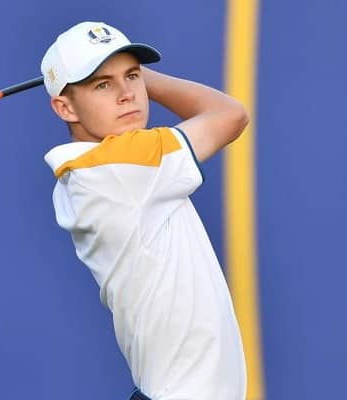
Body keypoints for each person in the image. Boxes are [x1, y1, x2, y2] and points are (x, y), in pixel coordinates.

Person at [41, 21, 248, 400]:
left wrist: (122, 76)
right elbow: (229, 114)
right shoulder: (123, 164)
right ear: (64, 107)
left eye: (131, 77)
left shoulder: (91, 171)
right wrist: (146, 78)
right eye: (102, 84)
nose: (127, 94)